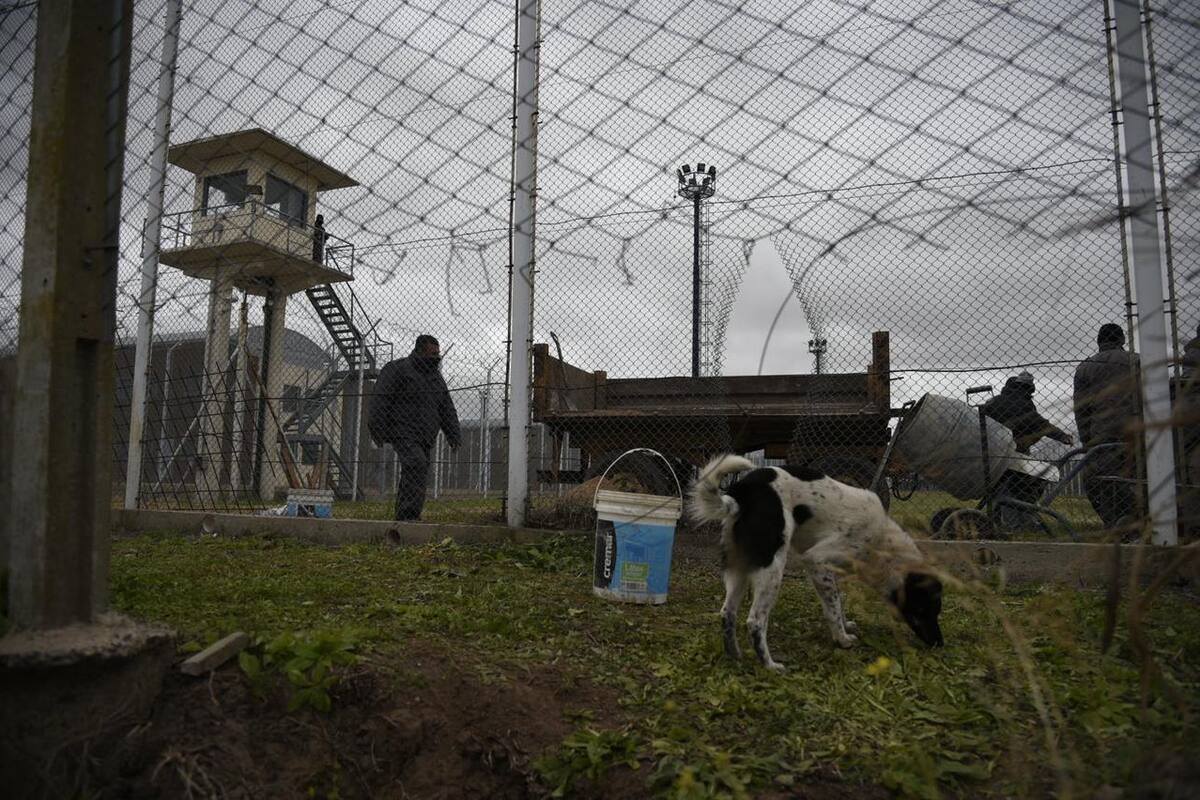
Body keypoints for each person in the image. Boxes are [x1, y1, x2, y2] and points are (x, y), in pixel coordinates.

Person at [369, 335, 461, 520]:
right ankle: (407, 516)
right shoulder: (398, 369)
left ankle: (408, 515)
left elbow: (446, 408)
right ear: (420, 351)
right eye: (432, 353)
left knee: (417, 471)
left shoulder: (436, 378)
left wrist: (454, 435)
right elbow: (380, 400)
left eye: (438, 353)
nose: (437, 357)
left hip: (425, 436)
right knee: (416, 465)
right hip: (402, 431)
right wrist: (377, 430)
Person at [1073, 323, 1140, 529]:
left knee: (1103, 481)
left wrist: (1087, 441)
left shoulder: (1085, 367)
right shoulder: (1137, 361)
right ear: (1121, 340)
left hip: (1101, 435)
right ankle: (1139, 522)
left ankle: (1113, 525)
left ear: (1099, 342)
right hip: (1137, 431)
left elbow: (1081, 409)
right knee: (1138, 478)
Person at [981, 371, 1072, 454]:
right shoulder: (1025, 404)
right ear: (1029, 389)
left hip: (990, 446)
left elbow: (981, 420)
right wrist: (1062, 436)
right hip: (1016, 448)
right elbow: (1042, 425)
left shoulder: (994, 401)